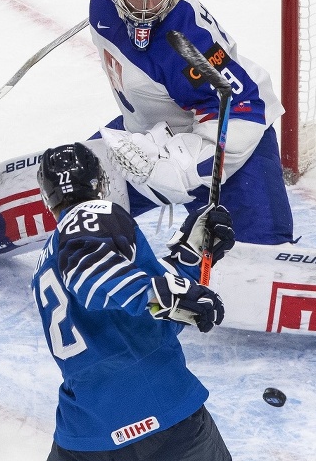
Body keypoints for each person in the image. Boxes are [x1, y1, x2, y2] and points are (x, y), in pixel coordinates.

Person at [33, 142, 235, 460]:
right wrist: (164, 293)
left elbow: (138, 314)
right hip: (161, 413)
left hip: (86, 435)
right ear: (102, 183)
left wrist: (190, 254)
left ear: (47, 199)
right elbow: (91, 275)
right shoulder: (93, 214)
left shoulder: (47, 258)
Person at [91, 0, 293, 245]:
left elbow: (243, 111)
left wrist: (173, 172)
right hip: (150, 124)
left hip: (231, 132)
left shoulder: (189, 44)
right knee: (76, 193)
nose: (144, 8)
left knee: (255, 254)